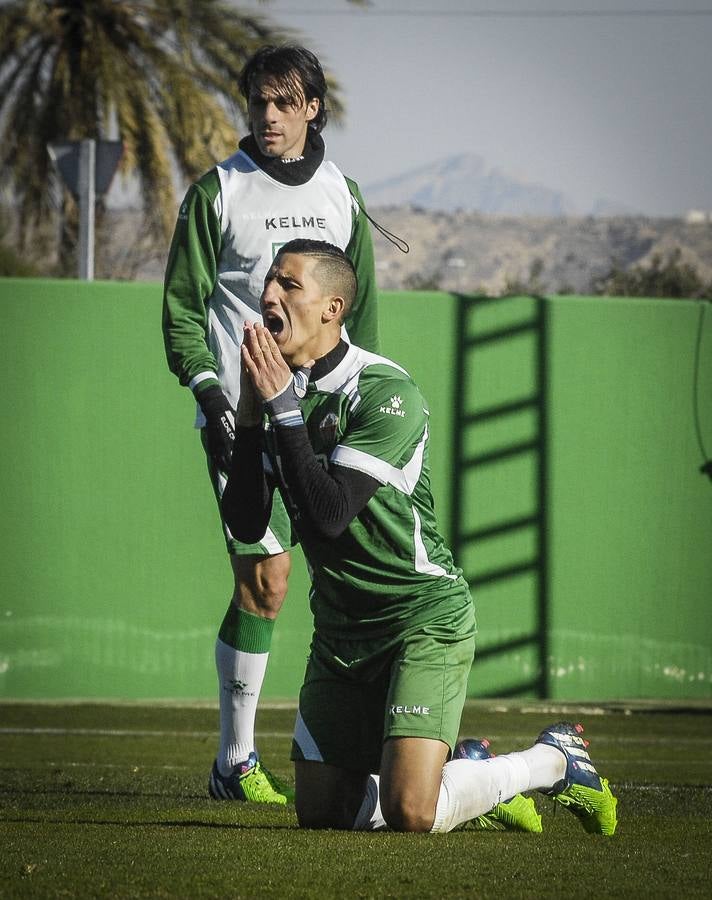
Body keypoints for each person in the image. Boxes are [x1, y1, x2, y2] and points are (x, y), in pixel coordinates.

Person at [222, 238, 618, 834]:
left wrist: (279, 410)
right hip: (340, 628)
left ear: (333, 308)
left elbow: (330, 514)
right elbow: (249, 524)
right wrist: (252, 416)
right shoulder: (282, 396)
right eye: (269, 281)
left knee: (412, 811)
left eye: (289, 284)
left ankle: (552, 758)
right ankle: (469, 776)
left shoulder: (384, 392)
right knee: (322, 812)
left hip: (421, 617)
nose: (269, 295)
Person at [162, 45, 379, 805]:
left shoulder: (342, 194)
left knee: (339, 576)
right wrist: (215, 394)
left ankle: (369, 741)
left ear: (314, 107)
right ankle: (235, 762)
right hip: (240, 418)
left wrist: (358, 405)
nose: (270, 115)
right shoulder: (218, 191)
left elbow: (357, 317)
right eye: (259, 102)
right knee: (267, 576)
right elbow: (184, 311)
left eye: (286, 102)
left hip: (320, 422)